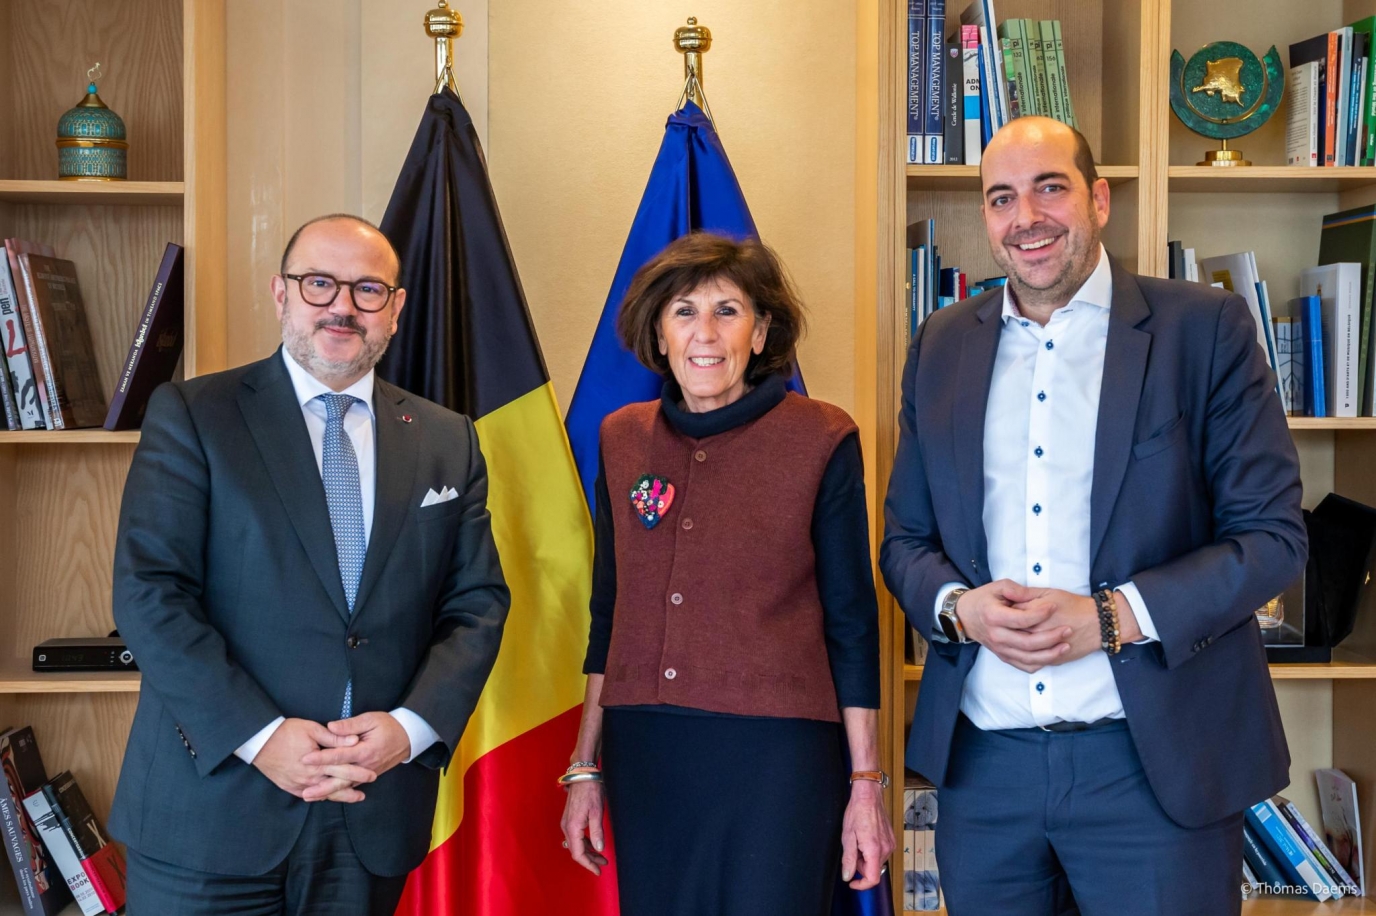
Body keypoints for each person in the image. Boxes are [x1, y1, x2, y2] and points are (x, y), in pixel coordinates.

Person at [880, 117, 1306, 915]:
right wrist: (957, 607)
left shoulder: (1201, 331)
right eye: (1002, 198)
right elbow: (905, 539)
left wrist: (1111, 618)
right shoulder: (939, 344)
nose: (1026, 217)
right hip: (985, 775)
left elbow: (1273, 540)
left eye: (1050, 187)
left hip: (1152, 765)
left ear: (1099, 199)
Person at [109, 214, 510, 915]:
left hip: (370, 810)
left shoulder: (449, 440)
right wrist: (259, 738)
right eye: (319, 283)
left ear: (396, 307)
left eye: (367, 290)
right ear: (281, 294)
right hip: (211, 813)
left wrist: (410, 729)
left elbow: (476, 603)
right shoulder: (195, 414)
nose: (342, 307)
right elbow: (150, 594)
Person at [559, 232, 894, 915]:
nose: (703, 333)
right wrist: (585, 765)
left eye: (727, 311)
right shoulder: (622, 437)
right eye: (683, 312)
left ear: (762, 329)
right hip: (648, 748)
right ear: (657, 331)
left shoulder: (821, 437)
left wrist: (865, 784)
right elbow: (609, 612)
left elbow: (852, 623)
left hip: (779, 757)